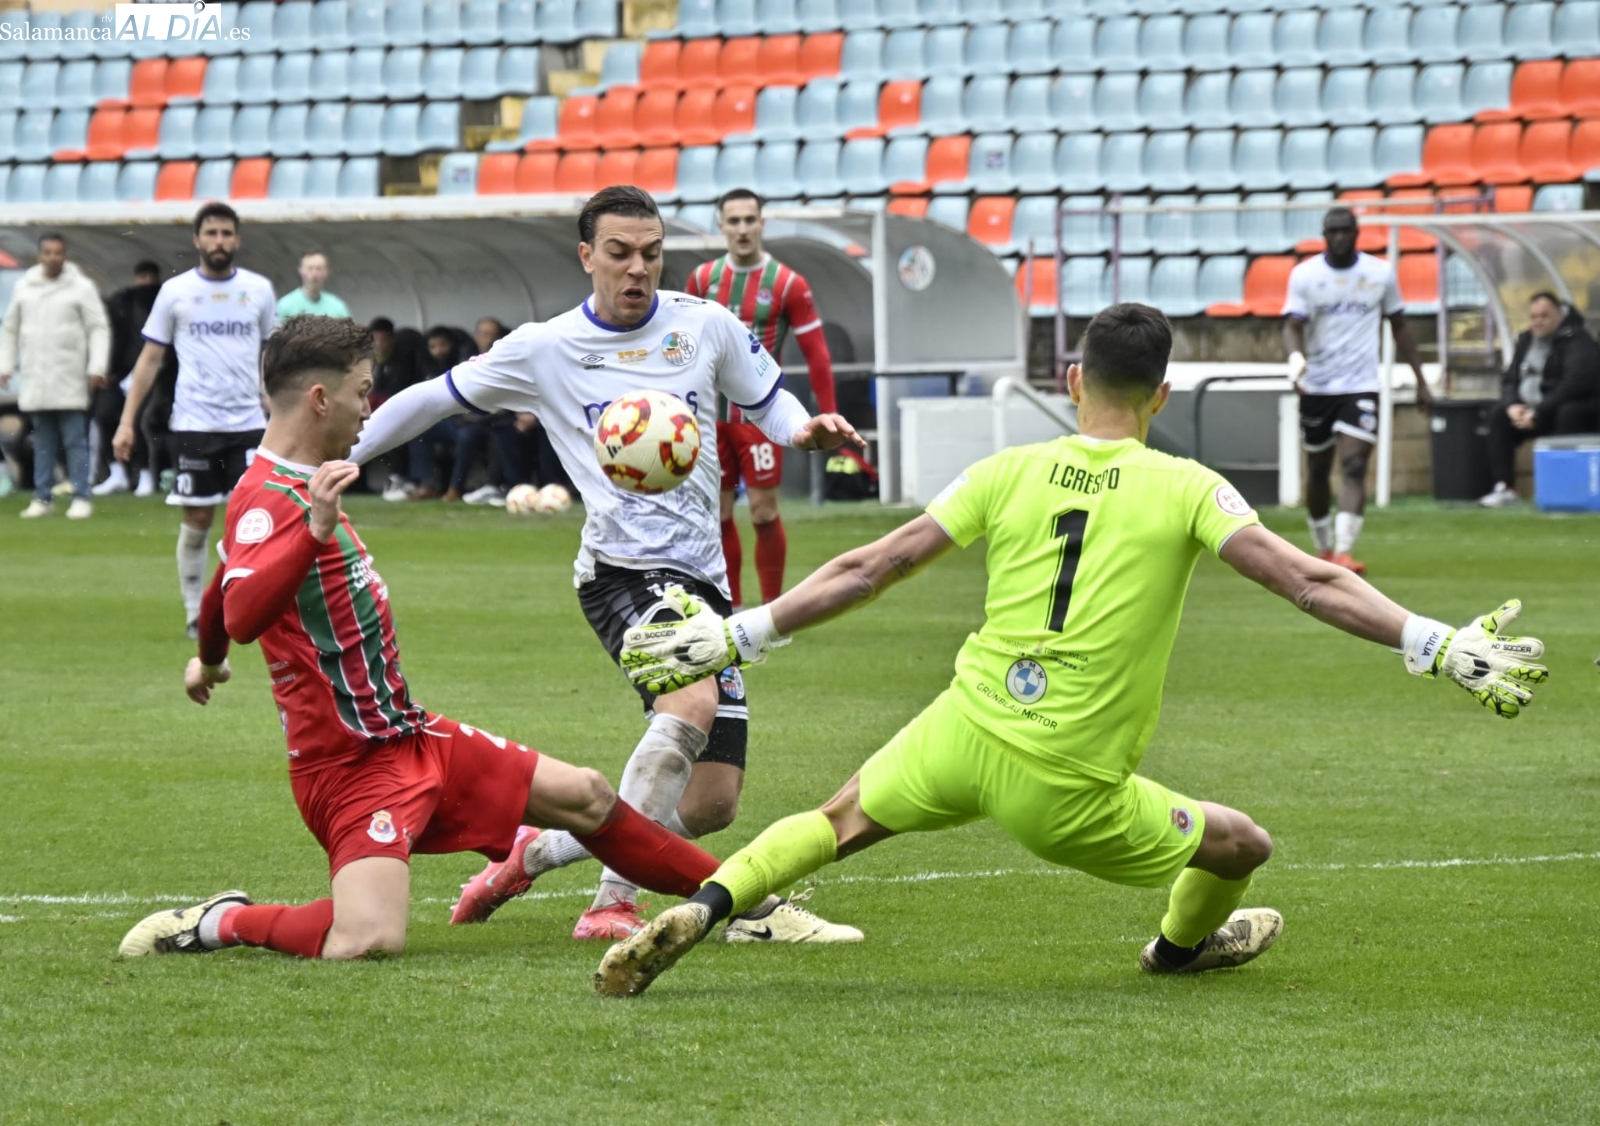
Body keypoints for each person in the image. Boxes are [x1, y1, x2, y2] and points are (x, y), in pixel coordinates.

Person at [594, 303, 1550, 998]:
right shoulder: (1187, 486)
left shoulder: (1005, 471)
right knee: (1239, 843)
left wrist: (737, 631)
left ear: (1072, 381)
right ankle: (1178, 952)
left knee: (839, 820)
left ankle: (707, 907)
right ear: (1163, 395)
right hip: (1068, 782)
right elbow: (1310, 580)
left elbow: (873, 566)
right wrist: (1435, 643)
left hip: (963, 726)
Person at [116, 315, 728, 962]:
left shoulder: (302, 483)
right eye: (362, 390)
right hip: (349, 768)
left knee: (588, 795)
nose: (368, 406)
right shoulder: (271, 499)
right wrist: (313, 531)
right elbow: (242, 612)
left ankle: (744, 900)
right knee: (368, 939)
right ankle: (225, 921)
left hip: (411, 737)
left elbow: (222, 584)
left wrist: (206, 662)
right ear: (321, 399)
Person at [349, 185, 863, 944]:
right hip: (621, 572)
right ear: (586, 255)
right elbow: (432, 400)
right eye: (619, 254)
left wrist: (804, 431)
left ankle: (534, 850)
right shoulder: (546, 346)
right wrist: (328, 458)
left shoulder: (705, 326)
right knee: (686, 707)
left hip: (703, 581)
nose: (637, 270)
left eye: (651, 254)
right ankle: (612, 904)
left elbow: (768, 399)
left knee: (710, 804)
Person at [113, 203, 277, 638]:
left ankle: (248, 607)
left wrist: (275, 402)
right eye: (211, 233)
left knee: (253, 521)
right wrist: (127, 421)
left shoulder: (259, 290)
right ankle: (193, 612)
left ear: (237, 239)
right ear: (197, 240)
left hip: (247, 422)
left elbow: (271, 355)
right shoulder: (175, 292)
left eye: (226, 233)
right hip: (193, 424)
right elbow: (150, 358)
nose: (219, 241)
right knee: (198, 519)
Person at [687, 188, 840, 610]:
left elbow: (817, 353)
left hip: (758, 418)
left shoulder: (788, 284)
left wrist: (827, 413)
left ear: (762, 224)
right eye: (732, 221)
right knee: (717, 515)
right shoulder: (702, 280)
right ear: (720, 226)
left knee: (763, 512)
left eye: (749, 220)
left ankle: (773, 610)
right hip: (708, 418)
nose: (741, 229)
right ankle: (731, 611)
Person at [1284, 207, 1430, 575]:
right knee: (1318, 469)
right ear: (1324, 234)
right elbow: (1291, 325)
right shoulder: (1305, 276)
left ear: (1356, 232)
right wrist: (1294, 359)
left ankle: (1345, 552)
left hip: (1361, 384)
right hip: (1317, 384)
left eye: (1346, 230)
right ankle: (1323, 548)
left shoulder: (1379, 274)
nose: (1339, 237)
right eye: (1332, 231)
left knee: (1354, 463)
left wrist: (1421, 381)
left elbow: (1400, 327)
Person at [0, 232, 111, 520]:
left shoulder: (80, 287)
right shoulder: (26, 286)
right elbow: (10, 328)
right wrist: (6, 364)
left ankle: (81, 495)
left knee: (75, 438)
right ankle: (42, 497)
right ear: (39, 256)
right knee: (43, 439)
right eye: (47, 253)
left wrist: (97, 366)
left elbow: (98, 327)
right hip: (36, 375)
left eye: (58, 253)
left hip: (70, 374)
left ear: (65, 255)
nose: (53, 258)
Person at [1480, 292, 1600, 508]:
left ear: (1559, 315)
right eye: (1534, 316)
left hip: (1562, 411)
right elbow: (1510, 379)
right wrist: (1512, 406)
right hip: (1531, 413)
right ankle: (1504, 488)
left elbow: (1576, 383)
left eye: (1545, 316)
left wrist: (1539, 411)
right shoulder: (1525, 340)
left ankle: (1565, 488)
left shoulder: (1577, 340)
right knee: (1498, 415)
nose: (1538, 321)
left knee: (1569, 413)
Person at [93, 259, 163, 497]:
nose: (145, 283)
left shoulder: (158, 304)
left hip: (146, 375)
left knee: (138, 422)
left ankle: (145, 473)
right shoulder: (122, 303)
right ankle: (118, 472)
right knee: (105, 417)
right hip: (118, 374)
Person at [275, 250, 352, 321]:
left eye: (319, 268)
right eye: (310, 268)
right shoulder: (285, 306)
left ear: (326, 272)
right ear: (301, 271)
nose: (314, 274)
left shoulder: (338, 307)